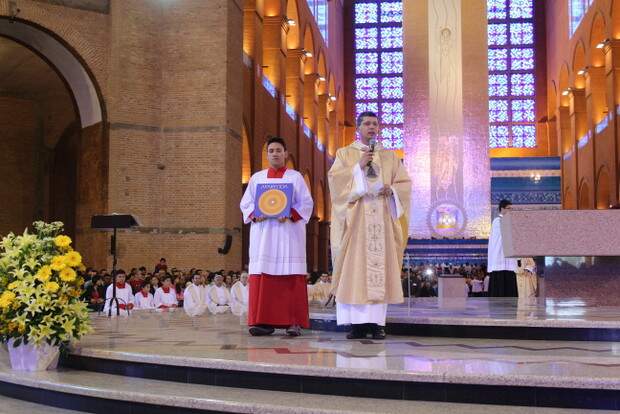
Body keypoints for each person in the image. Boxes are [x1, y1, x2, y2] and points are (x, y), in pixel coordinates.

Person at [328, 111, 411, 340]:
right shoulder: (345, 154)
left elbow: (404, 184)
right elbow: (336, 183)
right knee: (354, 270)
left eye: (374, 123)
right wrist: (358, 167)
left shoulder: (390, 156)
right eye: (366, 123)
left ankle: (377, 324)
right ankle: (356, 325)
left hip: (382, 219)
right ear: (358, 128)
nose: (371, 127)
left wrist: (392, 190)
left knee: (380, 270)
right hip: (356, 221)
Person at [240, 136, 314, 337]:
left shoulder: (295, 177)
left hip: (288, 234)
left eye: (278, 150)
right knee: (264, 275)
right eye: (271, 151)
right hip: (264, 235)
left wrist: (290, 213)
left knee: (290, 275)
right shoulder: (257, 178)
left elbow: (306, 203)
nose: (275, 154)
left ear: (285, 154)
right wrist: (255, 214)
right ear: (267, 155)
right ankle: (263, 322)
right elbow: (246, 204)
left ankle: (293, 322)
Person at [487, 199, 518, 297]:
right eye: (508, 208)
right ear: (502, 209)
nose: (510, 210)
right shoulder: (497, 221)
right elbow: (502, 237)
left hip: (509, 259)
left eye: (511, 208)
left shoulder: (510, 221)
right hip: (499, 257)